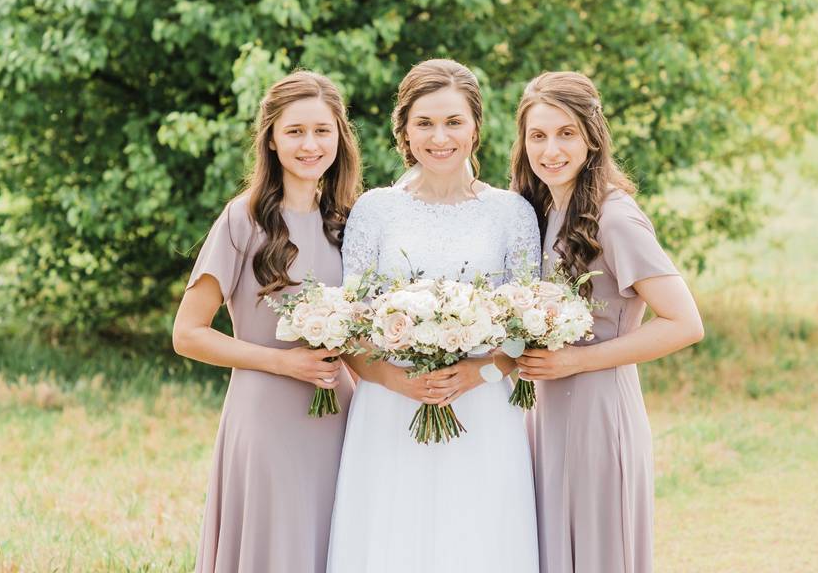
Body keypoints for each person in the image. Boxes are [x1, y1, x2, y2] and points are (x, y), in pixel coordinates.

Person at [326, 59, 540, 573]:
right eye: (424, 123)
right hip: (389, 408)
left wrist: (477, 373)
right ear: (403, 129)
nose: (439, 136)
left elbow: (528, 326)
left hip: (485, 409)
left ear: (475, 128)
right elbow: (348, 324)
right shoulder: (375, 210)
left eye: (453, 122)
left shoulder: (513, 212)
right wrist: (397, 382)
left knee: (480, 539)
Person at [510, 71, 705, 573]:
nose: (551, 149)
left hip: (599, 414)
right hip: (547, 413)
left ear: (593, 138)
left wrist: (579, 359)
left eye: (566, 133)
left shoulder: (614, 218)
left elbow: (684, 322)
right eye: (538, 135)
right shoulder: (543, 211)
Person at [171, 70, 362, 573]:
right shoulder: (243, 218)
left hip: (340, 414)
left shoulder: (353, 221)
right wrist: (285, 363)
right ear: (272, 139)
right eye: (295, 131)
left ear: (340, 137)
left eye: (322, 131)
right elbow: (188, 334)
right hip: (266, 418)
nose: (310, 144)